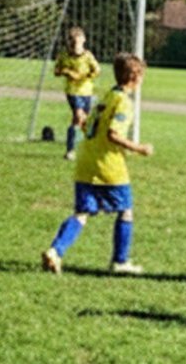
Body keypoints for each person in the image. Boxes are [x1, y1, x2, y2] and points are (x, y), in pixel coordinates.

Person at [41, 53, 153, 276]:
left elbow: (88, 126)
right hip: (108, 166)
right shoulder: (123, 102)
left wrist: (82, 119)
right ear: (135, 77)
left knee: (81, 213)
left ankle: (55, 251)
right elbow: (113, 134)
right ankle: (120, 262)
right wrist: (139, 148)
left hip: (85, 163)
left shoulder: (106, 97)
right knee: (126, 211)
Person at [52, 26, 100, 160]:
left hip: (87, 91)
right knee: (79, 116)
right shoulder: (64, 55)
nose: (75, 46)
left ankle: (81, 147)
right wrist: (66, 71)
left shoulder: (88, 56)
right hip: (73, 92)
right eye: (73, 43)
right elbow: (56, 71)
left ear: (83, 41)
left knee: (82, 121)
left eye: (78, 43)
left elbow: (97, 70)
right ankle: (71, 151)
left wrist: (84, 75)